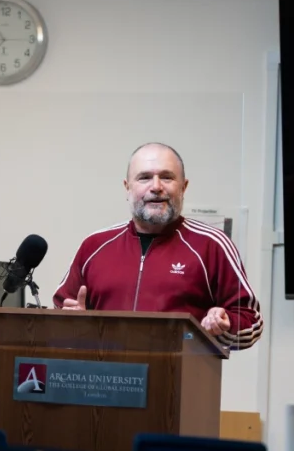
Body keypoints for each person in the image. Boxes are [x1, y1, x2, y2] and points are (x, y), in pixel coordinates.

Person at [52, 142, 263, 350]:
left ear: (184, 187)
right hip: (105, 379)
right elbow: (60, 312)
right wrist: (72, 322)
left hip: (179, 380)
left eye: (167, 177)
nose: (156, 187)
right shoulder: (94, 245)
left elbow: (251, 321)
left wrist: (225, 326)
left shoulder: (212, 245)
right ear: (127, 187)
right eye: (144, 177)